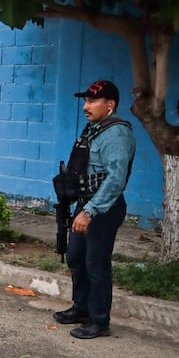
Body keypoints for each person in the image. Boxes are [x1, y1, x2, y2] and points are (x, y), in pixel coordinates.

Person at [53, 80, 136, 340]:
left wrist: (89, 212)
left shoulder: (117, 133)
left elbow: (115, 179)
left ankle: (99, 320)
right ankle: (81, 308)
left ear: (110, 105)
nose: (86, 106)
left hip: (103, 208)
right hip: (85, 204)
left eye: (92, 101)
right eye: (85, 101)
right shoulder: (94, 129)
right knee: (76, 257)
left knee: (96, 263)